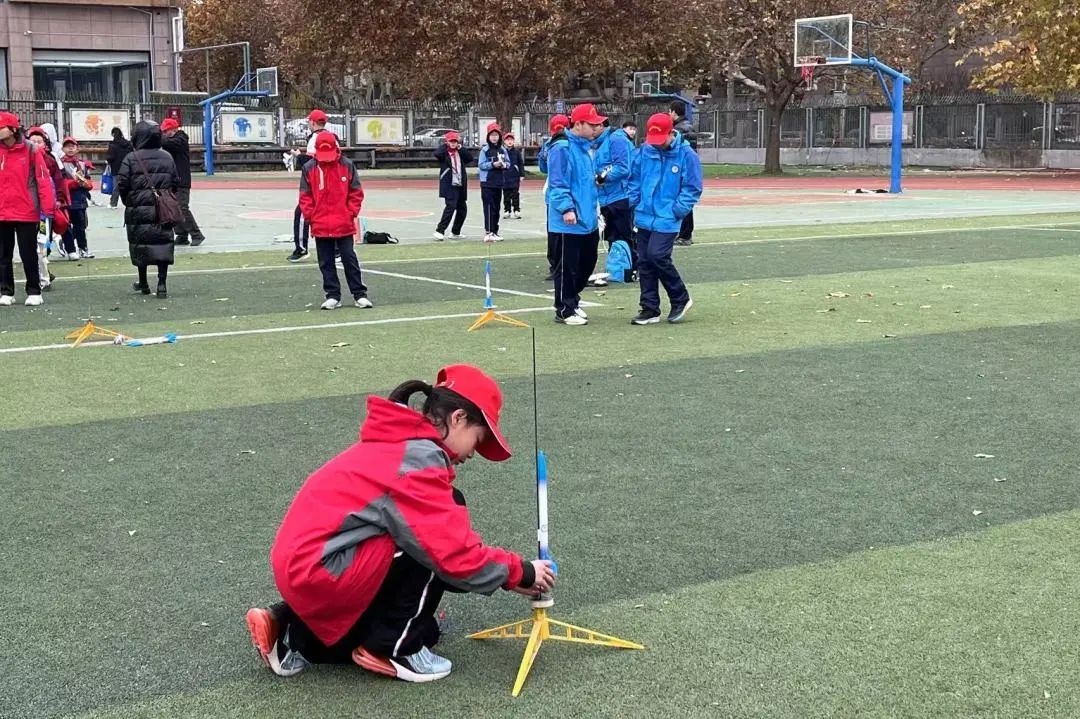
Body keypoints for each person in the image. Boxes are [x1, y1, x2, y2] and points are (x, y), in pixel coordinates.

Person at [245, 364, 556, 682]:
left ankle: (288, 628)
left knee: (428, 627)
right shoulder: (417, 460)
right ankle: (396, 648)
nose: (474, 453)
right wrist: (521, 571)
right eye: (478, 439)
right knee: (427, 541)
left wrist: (505, 579)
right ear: (458, 418)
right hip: (321, 572)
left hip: (309, 567)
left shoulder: (400, 442)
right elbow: (450, 554)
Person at [627, 113, 701, 325]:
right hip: (644, 214)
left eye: (661, 139)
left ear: (671, 133)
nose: (658, 144)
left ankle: (680, 297)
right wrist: (635, 201)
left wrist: (678, 210)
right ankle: (649, 308)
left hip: (668, 216)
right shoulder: (645, 151)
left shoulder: (686, 154)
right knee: (644, 261)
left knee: (657, 255)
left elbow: (692, 187)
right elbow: (634, 178)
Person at [298, 133, 372, 311]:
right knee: (325, 261)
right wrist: (311, 216)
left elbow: (356, 192)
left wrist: (350, 212)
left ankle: (359, 294)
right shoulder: (309, 168)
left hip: (343, 223)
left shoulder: (347, 165)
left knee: (349, 258)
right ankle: (332, 295)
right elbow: (305, 196)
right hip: (320, 223)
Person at [547, 103, 606, 325]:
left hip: (587, 217)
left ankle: (572, 299)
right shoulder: (562, 148)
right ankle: (564, 308)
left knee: (587, 262)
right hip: (568, 220)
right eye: (592, 124)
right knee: (567, 267)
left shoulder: (585, 148)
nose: (596, 128)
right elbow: (557, 182)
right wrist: (566, 209)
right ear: (578, 124)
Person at [116, 121, 180, 299]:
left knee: (140, 244)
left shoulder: (131, 158)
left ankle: (143, 282)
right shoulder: (167, 156)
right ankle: (162, 284)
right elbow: (175, 181)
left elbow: (122, 183)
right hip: (163, 209)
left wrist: (129, 201)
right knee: (163, 244)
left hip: (138, 208)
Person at [0, 111, 55, 307]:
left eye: (1, 127)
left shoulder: (31, 149)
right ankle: (6, 291)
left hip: (26, 211)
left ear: (13, 129)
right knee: (3, 255)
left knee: (29, 253)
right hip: (2, 210)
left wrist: (47, 209)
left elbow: (43, 179)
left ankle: (34, 290)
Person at [26, 127, 69, 291]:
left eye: (39, 141)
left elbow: (59, 181)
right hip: (27, 211)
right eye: (33, 141)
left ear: (46, 144)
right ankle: (41, 275)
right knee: (30, 246)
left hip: (45, 212)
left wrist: (59, 199)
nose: (36, 144)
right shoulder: (23, 159)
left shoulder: (51, 160)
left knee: (42, 245)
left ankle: (44, 278)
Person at [288, 110, 335, 262]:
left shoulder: (314, 139)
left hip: (318, 184)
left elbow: (311, 163)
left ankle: (301, 248)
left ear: (313, 123)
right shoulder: (331, 138)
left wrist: (298, 156)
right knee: (331, 216)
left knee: (302, 213)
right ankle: (337, 250)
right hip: (332, 184)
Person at [593, 119, 636, 278]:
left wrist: (602, 178)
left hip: (620, 196)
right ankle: (618, 268)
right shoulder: (599, 143)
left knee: (623, 235)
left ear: (601, 126)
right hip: (606, 197)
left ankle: (630, 269)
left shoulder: (616, 139)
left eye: (593, 125)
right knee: (612, 236)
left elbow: (623, 168)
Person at [160, 118, 205, 247]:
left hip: (181, 180)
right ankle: (181, 234)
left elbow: (169, 144)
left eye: (166, 131)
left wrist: (156, 137)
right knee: (173, 208)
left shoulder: (181, 140)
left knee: (181, 207)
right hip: (171, 180)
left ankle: (196, 234)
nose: (165, 133)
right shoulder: (170, 142)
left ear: (174, 129)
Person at [537, 114, 569, 280]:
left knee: (561, 234)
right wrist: (542, 158)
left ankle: (561, 266)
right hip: (554, 195)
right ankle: (555, 265)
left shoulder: (566, 145)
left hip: (560, 194)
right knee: (554, 234)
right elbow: (544, 169)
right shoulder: (551, 145)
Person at [432, 131, 473, 241]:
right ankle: (440, 230)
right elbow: (436, 154)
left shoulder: (460, 152)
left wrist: (461, 148)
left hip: (460, 184)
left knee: (462, 209)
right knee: (450, 207)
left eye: (455, 141)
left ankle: (455, 231)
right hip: (449, 184)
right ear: (447, 142)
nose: (453, 143)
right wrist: (446, 146)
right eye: (451, 141)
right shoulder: (444, 153)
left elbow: (470, 158)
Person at [59, 137, 94, 259]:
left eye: (72, 146)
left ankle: (83, 249)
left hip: (80, 200)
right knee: (66, 226)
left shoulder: (82, 164)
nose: (70, 149)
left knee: (81, 226)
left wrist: (86, 184)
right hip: (66, 200)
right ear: (63, 149)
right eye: (67, 146)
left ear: (77, 148)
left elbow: (89, 182)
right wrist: (74, 183)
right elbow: (60, 182)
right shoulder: (60, 164)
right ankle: (70, 249)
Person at [669, 100, 697, 246]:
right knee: (684, 200)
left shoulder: (679, 130)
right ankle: (684, 233)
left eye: (670, 111)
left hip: (680, 168)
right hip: (685, 167)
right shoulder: (688, 126)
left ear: (674, 112)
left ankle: (685, 234)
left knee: (683, 201)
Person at [477, 123, 511, 243]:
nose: (494, 137)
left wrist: (504, 165)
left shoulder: (502, 149)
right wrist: (493, 164)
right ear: (488, 136)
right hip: (487, 183)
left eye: (496, 135)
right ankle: (488, 232)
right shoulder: (485, 150)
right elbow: (481, 165)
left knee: (496, 208)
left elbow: (508, 163)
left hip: (498, 182)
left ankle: (495, 231)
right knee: (488, 208)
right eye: (492, 135)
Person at [105, 127, 133, 209]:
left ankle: (113, 204)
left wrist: (107, 161)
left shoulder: (113, 145)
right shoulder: (128, 144)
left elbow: (110, 157)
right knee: (128, 186)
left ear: (113, 134)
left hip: (116, 169)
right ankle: (130, 202)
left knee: (116, 187)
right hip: (127, 167)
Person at [502, 132, 524, 219]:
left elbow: (520, 163)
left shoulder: (517, 152)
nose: (509, 141)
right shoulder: (502, 152)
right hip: (505, 176)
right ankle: (507, 210)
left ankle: (516, 210)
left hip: (514, 177)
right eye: (508, 140)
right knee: (506, 195)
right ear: (504, 141)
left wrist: (521, 174)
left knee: (515, 194)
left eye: (511, 140)